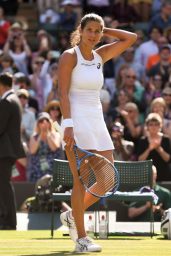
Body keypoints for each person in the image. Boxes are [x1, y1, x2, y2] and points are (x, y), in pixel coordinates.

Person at [58, 13, 137, 253]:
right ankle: (81, 238)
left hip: (96, 120)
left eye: (97, 31)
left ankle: (73, 216)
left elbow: (131, 38)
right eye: (90, 30)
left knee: (106, 180)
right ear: (80, 30)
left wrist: (107, 30)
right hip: (76, 120)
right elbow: (62, 94)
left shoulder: (101, 55)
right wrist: (69, 123)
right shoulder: (69, 56)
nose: (93, 35)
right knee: (80, 181)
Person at [0, 72, 25, 229]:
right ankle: (6, 219)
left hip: (4, 151)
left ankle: (8, 222)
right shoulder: (13, 99)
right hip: (7, 151)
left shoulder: (6, 101)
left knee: (4, 186)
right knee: (4, 186)